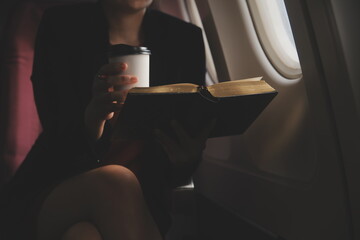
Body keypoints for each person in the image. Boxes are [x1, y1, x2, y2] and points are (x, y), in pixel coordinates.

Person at [0, 0, 212, 239]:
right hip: (56, 187)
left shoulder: (185, 38)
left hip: (140, 198)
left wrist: (186, 158)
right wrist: (93, 119)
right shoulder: (61, 26)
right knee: (116, 181)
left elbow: (176, 157)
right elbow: (57, 137)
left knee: (82, 235)